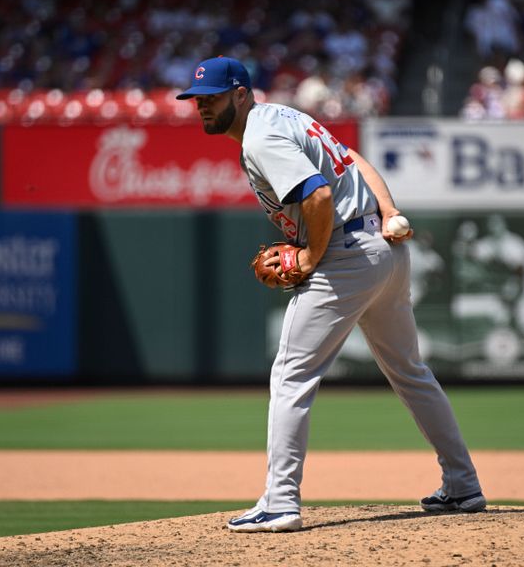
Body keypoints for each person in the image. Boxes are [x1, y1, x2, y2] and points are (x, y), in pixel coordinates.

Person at [176, 57, 485, 533]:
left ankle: (280, 501)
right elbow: (354, 161)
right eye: (197, 100)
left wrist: (309, 257)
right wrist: (388, 210)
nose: (202, 107)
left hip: (344, 256)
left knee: (291, 373)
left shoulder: (260, 136)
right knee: (410, 371)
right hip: (383, 253)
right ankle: (463, 486)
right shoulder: (287, 116)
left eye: (212, 98)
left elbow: (318, 195)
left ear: (240, 94)